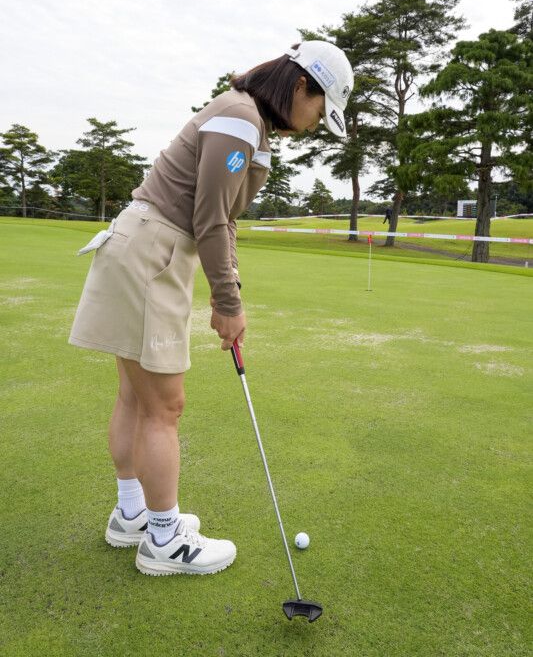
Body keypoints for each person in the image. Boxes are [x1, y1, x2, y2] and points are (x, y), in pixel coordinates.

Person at [69, 40, 353, 577]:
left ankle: (132, 514)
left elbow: (225, 220)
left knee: (136, 394)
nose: (317, 122)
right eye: (320, 107)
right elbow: (209, 219)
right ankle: (163, 541)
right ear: (300, 86)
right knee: (164, 406)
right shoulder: (242, 119)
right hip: (154, 253)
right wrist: (228, 302)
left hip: (141, 246)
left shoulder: (243, 118)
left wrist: (233, 286)